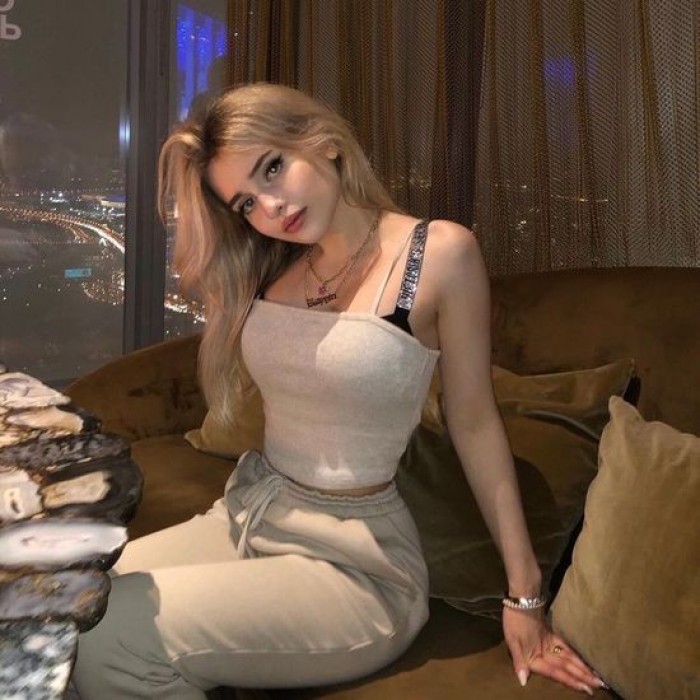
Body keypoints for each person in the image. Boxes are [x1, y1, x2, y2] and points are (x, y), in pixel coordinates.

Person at [72, 83, 603, 698]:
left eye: (273, 168)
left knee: (106, 635)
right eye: (246, 203)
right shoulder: (275, 262)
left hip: (358, 567)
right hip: (250, 515)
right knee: (58, 610)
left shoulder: (437, 254)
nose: (271, 206)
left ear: (322, 141)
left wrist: (526, 596)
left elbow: (475, 421)